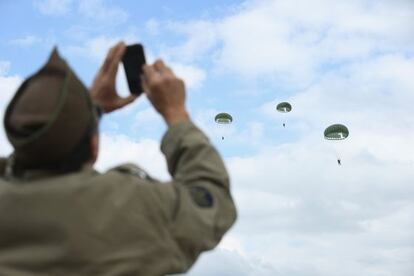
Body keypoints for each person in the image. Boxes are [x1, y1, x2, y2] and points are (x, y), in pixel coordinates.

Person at [0, 42, 237, 275]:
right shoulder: (129, 208)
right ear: (94, 147)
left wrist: (85, 114)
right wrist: (176, 114)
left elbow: (31, 153)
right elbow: (212, 200)